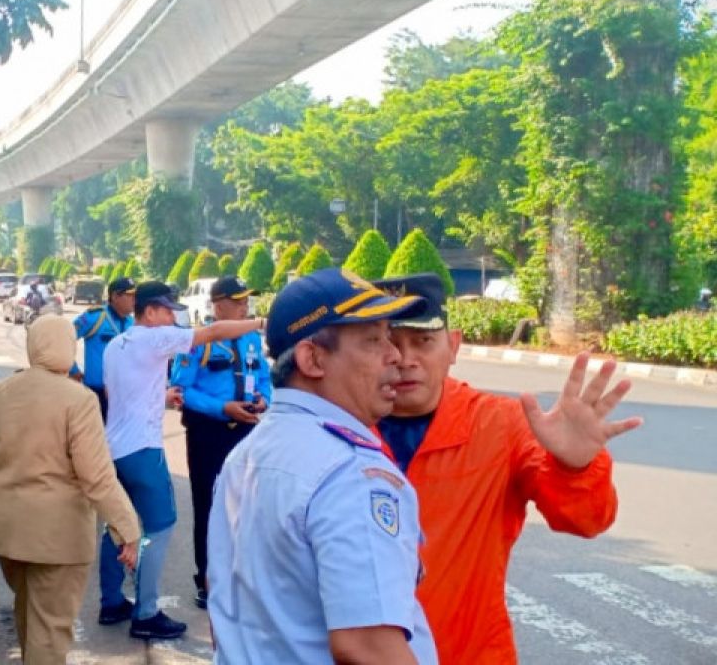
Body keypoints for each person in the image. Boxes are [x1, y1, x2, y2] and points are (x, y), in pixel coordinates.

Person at [372, 272, 642, 665]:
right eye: (390, 344)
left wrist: (576, 466)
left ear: (453, 345)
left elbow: (585, 520)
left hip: (469, 652)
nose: (407, 359)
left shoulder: (501, 424)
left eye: (423, 341)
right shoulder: (340, 427)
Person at [207, 268, 436, 665]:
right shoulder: (351, 473)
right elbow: (367, 646)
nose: (395, 354)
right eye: (373, 340)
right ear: (312, 359)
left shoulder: (248, 453)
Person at [98, 281, 265, 641]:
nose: (173, 316)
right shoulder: (156, 338)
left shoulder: (116, 345)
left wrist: (161, 396)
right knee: (159, 527)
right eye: (167, 310)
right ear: (151, 311)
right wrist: (260, 324)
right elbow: (215, 332)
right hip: (144, 450)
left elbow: (117, 394)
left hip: (115, 448)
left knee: (118, 523)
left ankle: (111, 602)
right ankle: (146, 612)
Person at [0, 315, 142, 664]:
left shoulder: (6, 391)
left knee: (28, 619)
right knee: (51, 633)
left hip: (8, 529)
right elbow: (97, 475)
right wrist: (126, 526)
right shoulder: (79, 399)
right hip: (56, 536)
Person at [168, 275, 272, 609]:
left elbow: (265, 379)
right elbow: (181, 389)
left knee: (247, 506)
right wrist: (221, 407)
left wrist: (263, 400)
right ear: (218, 305)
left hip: (246, 431)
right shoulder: (199, 341)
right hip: (209, 433)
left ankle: (241, 575)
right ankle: (207, 579)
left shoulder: (252, 339)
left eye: (246, 301)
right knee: (209, 506)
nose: (245, 306)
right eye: (238, 301)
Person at [69, 277, 137, 420]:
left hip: (124, 394)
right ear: (115, 296)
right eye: (130, 295)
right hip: (96, 394)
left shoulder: (133, 323)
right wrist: (73, 370)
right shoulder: (95, 317)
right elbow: (63, 339)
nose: (134, 299)